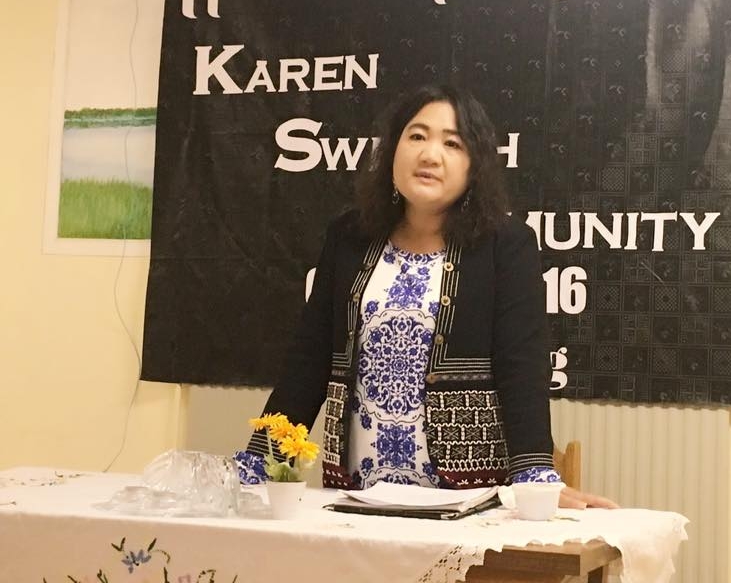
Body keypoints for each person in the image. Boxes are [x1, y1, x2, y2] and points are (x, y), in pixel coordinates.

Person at [241, 84, 615, 510]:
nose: (430, 155)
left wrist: (533, 471)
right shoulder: (349, 236)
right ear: (392, 150)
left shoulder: (505, 244)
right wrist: (262, 458)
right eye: (417, 136)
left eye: (452, 143)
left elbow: (523, 364)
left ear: (475, 164)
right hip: (353, 496)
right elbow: (309, 358)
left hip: (468, 498)